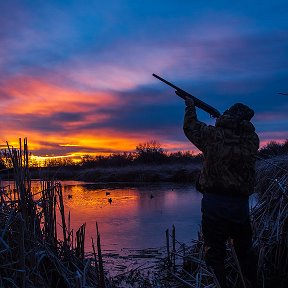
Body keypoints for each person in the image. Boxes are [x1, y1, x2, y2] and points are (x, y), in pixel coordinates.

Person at [183, 97, 259, 288]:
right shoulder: (251, 140)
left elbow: (190, 126)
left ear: (228, 116)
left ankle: (219, 284)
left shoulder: (213, 135)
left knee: (214, 251)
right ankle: (250, 283)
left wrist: (190, 106)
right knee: (244, 250)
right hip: (240, 205)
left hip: (214, 203)